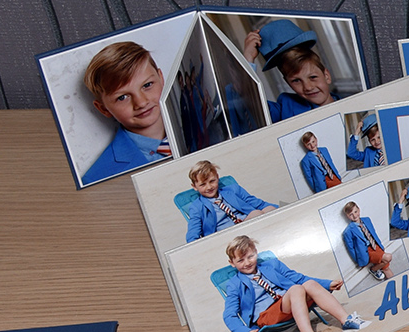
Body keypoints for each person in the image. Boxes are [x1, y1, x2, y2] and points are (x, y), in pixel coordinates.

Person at [221, 234, 366, 332]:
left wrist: (327, 284)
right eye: (240, 260)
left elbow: (299, 278)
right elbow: (229, 315)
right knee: (296, 289)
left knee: (309, 284)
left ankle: (346, 321)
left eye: (250, 256)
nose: (247, 263)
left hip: (292, 302)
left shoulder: (272, 265)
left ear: (256, 252)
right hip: (266, 315)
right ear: (232, 263)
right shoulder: (234, 284)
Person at [79, 41, 171, 184]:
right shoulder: (98, 179)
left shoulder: (201, 123)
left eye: (147, 85)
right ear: (103, 108)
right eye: (122, 97)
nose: (141, 103)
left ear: (161, 78)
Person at [243, 19, 339, 124]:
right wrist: (248, 58)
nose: (308, 87)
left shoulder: (349, 104)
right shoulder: (285, 108)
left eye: (313, 77)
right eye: (296, 80)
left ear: (326, 76)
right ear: (288, 83)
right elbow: (250, 105)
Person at [184, 159, 275, 241]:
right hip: (225, 237)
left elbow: (259, 204)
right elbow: (192, 235)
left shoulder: (233, 190)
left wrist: (279, 210)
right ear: (194, 186)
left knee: (267, 209)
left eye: (212, 181)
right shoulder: (196, 207)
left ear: (217, 177)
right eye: (203, 184)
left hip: (245, 223)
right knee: (257, 214)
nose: (209, 187)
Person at [340, 200, 394, 282]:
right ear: (347, 216)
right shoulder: (348, 231)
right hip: (366, 251)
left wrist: (380, 245)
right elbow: (351, 249)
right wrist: (359, 261)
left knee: (386, 268)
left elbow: (374, 233)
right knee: (388, 257)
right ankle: (373, 269)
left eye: (355, 212)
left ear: (359, 209)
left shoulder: (367, 220)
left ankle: (394, 284)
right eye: (351, 214)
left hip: (375, 245)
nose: (354, 215)